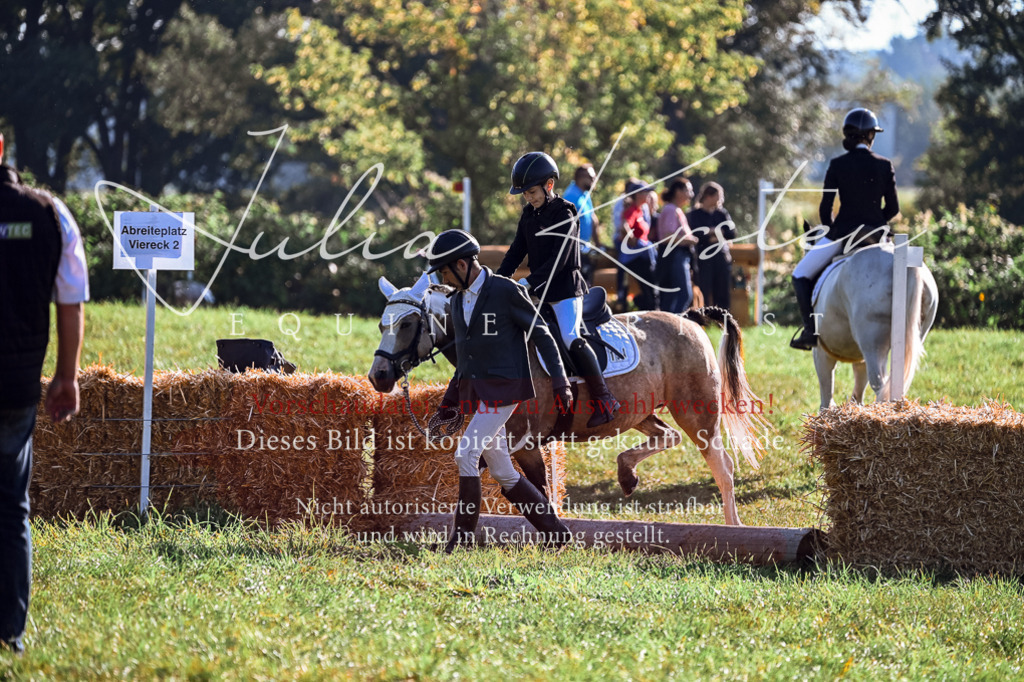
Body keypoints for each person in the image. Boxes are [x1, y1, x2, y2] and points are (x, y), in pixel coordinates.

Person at [426, 230, 573, 551]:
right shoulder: (456, 300)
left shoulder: (505, 291)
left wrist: (560, 380)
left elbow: (543, 335)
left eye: (445, 271)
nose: (443, 279)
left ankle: (461, 542)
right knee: (504, 471)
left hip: (505, 391)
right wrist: (449, 402)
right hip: (479, 395)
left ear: (462, 264)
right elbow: (464, 361)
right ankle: (556, 533)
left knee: (465, 454)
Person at [0, 132, 88, 655]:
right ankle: (9, 628)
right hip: (14, 386)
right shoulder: (51, 213)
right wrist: (66, 376)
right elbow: (71, 302)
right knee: (11, 506)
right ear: (3, 146)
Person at [498, 151, 621, 427]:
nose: (528, 198)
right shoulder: (529, 214)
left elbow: (560, 259)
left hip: (566, 291)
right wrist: (496, 280)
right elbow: (516, 251)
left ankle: (605, 398)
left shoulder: (565, 211)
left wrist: (529, 282)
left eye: (531, 191)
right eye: (524, 194)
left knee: (569, 337)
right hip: (539, 292)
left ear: (549, 185)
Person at [790, 107, 899, 350]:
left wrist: (834, 229)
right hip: (878, 237)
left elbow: (825, 208)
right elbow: (893, 208)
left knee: (799, 275)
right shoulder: (884, 165)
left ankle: (810, 332)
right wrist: (874, 222)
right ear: (871, 136)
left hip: (844, 234)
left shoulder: (838, 164)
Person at [687, 181, 736, 311]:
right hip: (703, 258)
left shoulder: (722, 214)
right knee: (704, 289)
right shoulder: (694, 214)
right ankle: (705, 320)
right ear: (708, 196)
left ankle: (723, 320)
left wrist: (711, 232)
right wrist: (713, 232)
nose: (721, 200)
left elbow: (731, 233)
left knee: (722, 290)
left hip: (721, 256)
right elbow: (694, 234)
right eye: (718, 196)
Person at [653, 179, 699, 313]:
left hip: (678, 257)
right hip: (674, 257)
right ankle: (673, 327)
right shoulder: (670, 210)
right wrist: (690, 240)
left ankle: (669, 327)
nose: (690, 194)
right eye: (687, 190)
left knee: (672, 296)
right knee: (683, 295)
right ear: (678, 191)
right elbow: (668, 236)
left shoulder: (676, 210)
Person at [619, 181, 659, 311]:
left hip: (645, 255)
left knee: (652, 288)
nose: (648, 195)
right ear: (637, 194)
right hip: (636, 258)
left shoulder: (641, 211)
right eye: (645, 192)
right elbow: (625, 225)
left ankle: (650, 309)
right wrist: (631, 238)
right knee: (649, 288)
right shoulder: (631, 210)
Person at [562, 164, 605, 286]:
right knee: (579, 285)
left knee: (587, 284)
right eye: (592, 177)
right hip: (574, 250)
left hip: (585, 248)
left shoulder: (585, 194)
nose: (594, 180)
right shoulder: (571, 196)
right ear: (581, 178)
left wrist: (598, 244)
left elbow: (593, 219)